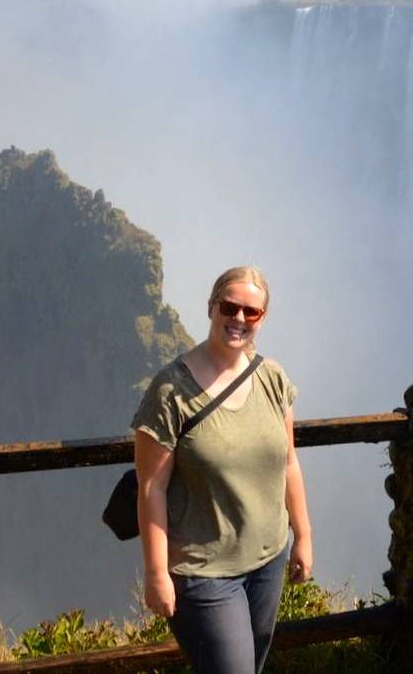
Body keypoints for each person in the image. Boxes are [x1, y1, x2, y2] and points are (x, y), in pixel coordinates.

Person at [131, 266, 313, 674]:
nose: (240, 320)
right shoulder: (170, 392)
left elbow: (289, 462)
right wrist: (157, 573)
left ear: (263, 318)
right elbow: (151, 488)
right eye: (230, 308)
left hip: (267, 560)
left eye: (252, 312)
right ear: (212, 307)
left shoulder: (273, 378)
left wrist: (303, 535)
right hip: (203, 571)